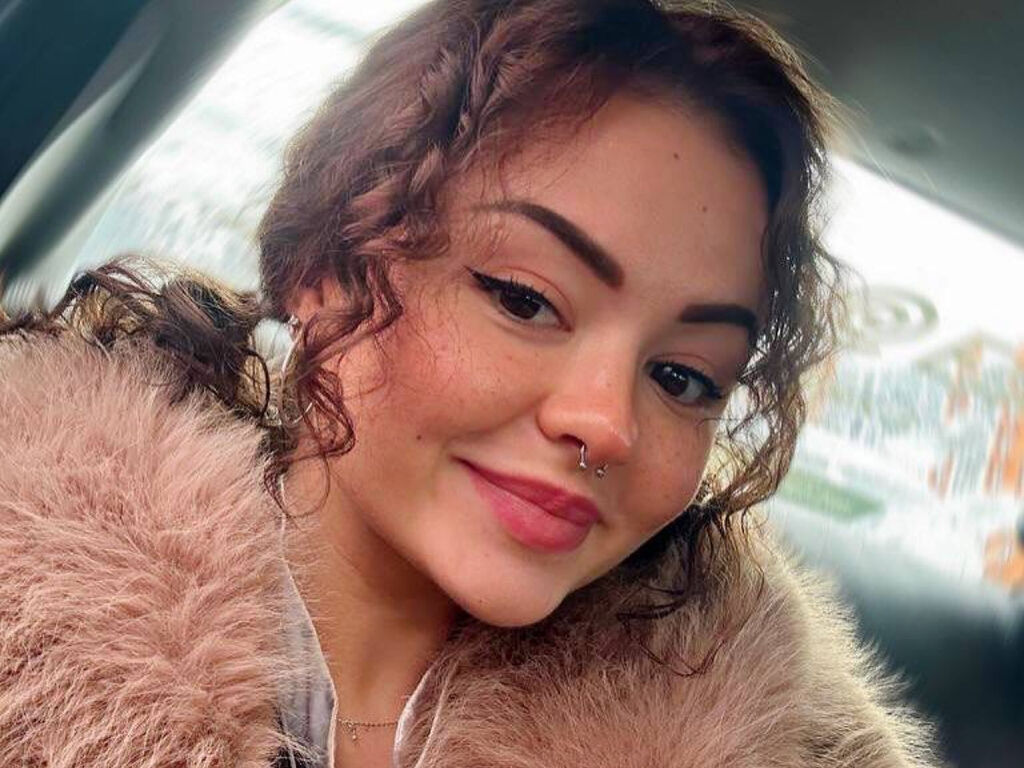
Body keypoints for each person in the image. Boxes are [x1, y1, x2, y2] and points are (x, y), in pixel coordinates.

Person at [0, 0, 937, 766]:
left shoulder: (767, 735)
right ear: (323, 267)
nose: (608, 424)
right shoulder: (28, 604)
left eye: (684, 377)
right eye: (525, 300)